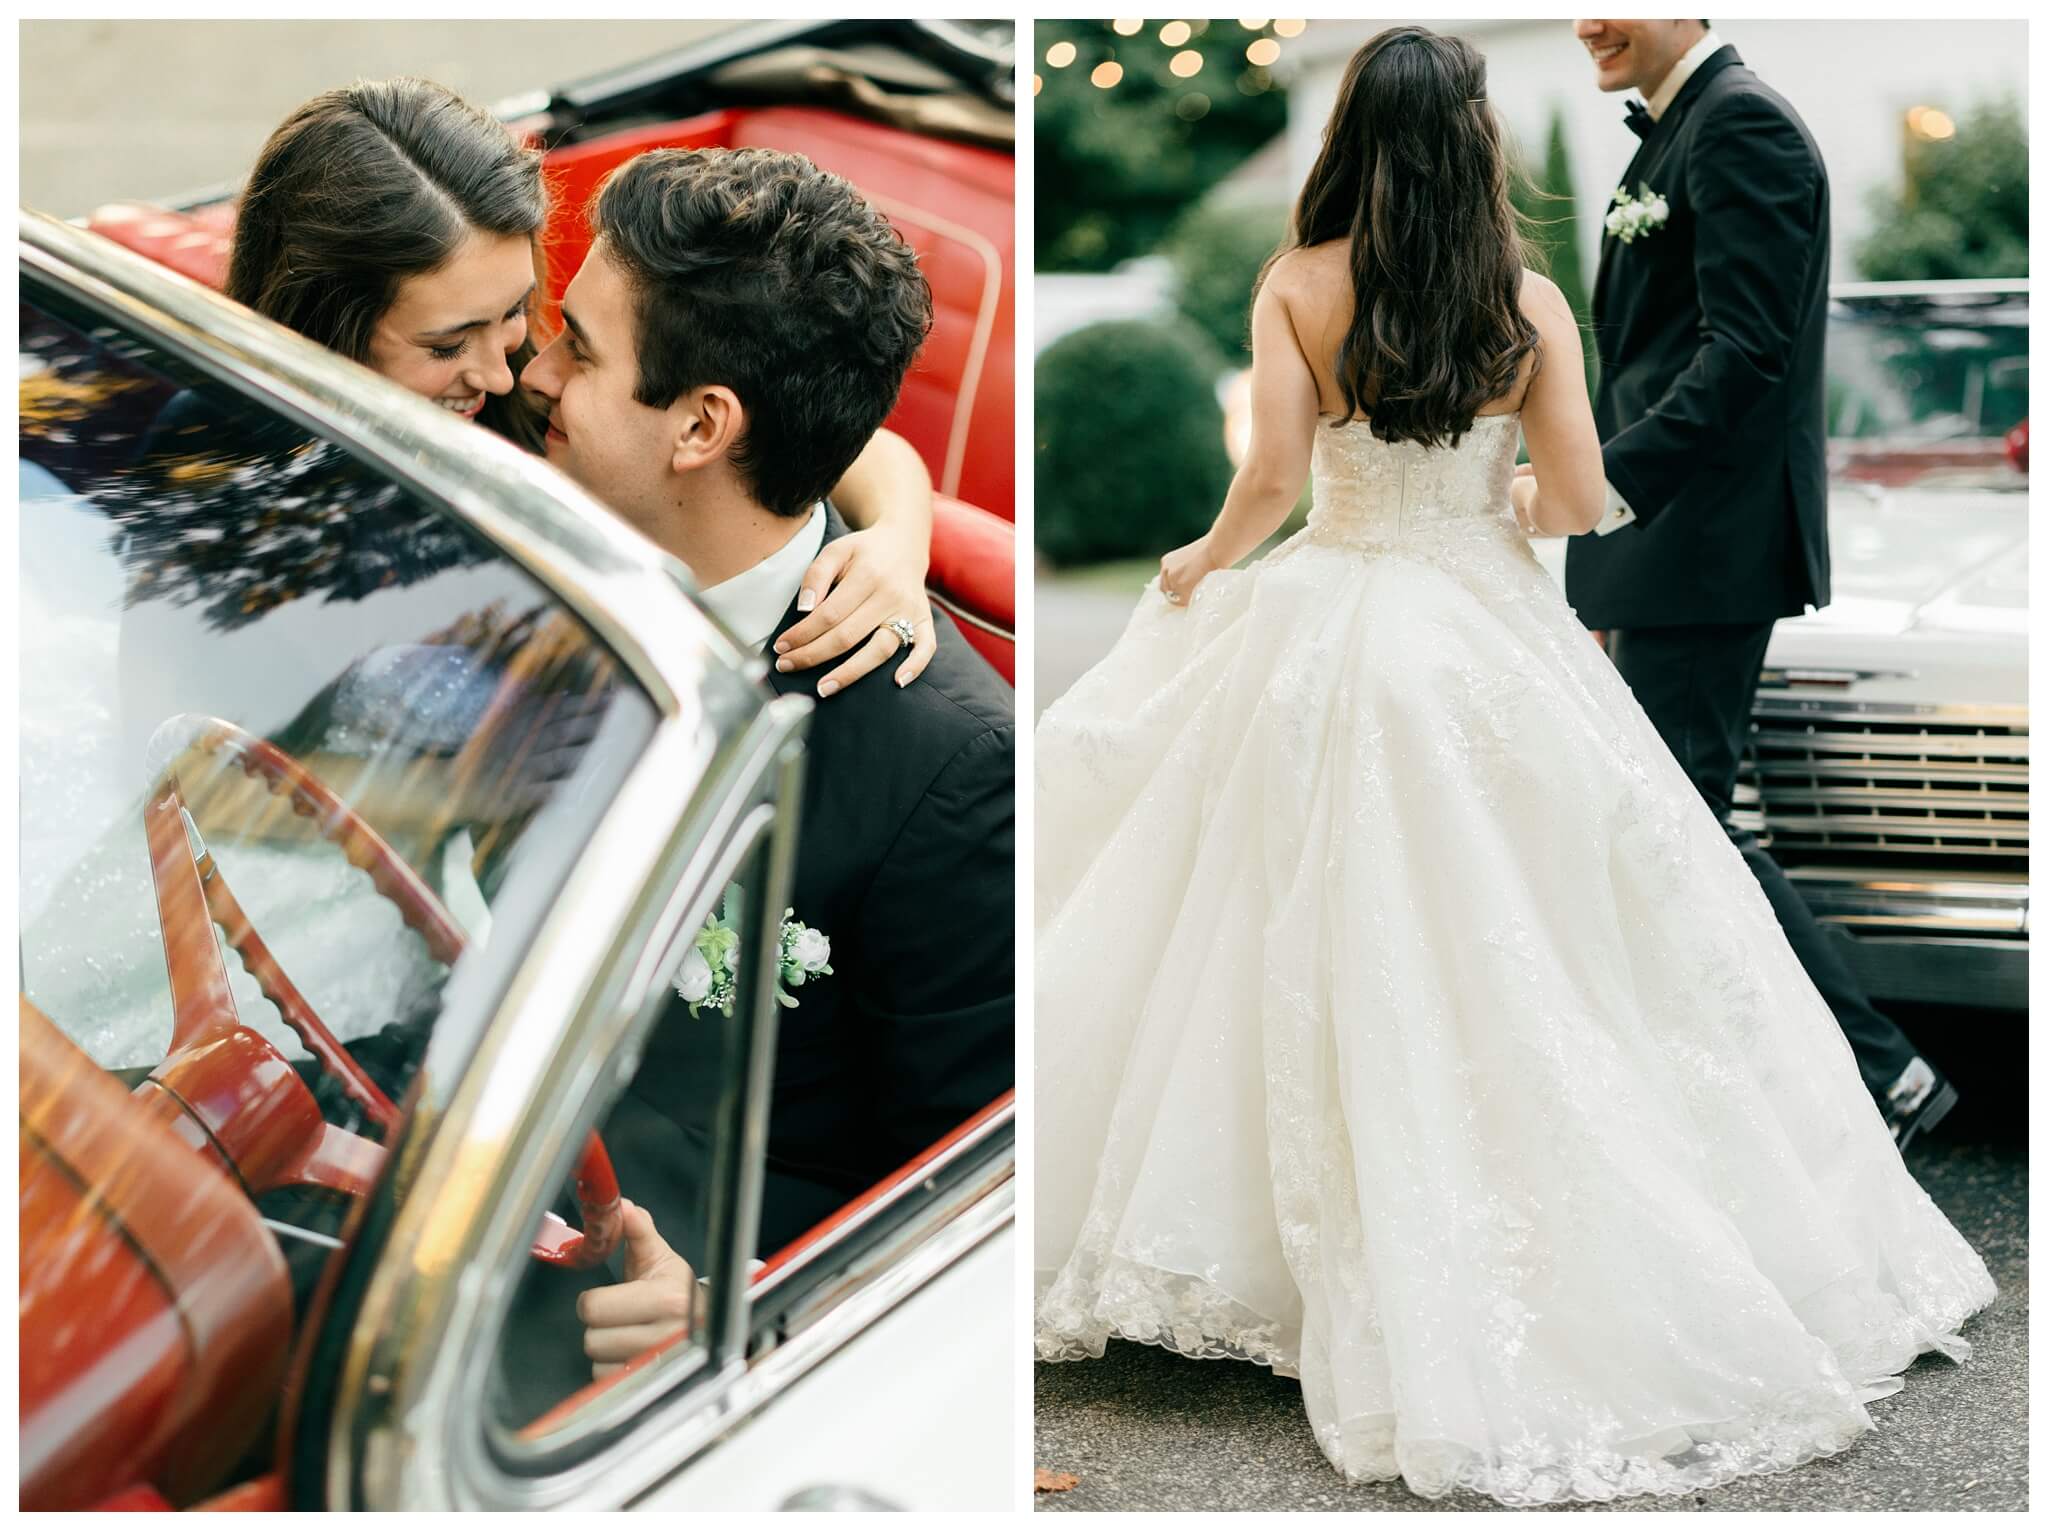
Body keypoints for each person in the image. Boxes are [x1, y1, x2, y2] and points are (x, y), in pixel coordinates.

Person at [1031, 26, 1991, 1506]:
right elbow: (1587, 493)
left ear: (1349, 134)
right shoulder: (1526, 298)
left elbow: (1275, 483)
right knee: (1544, 929)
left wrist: (1204, 556)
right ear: (1475, 142)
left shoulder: (1295, 283)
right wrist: (1498, 500)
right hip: (1481, 632)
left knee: (1289, 918)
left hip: (1335, 621)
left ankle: (1279, 1239)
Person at [514, 147, 1013, 1381]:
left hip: (651, 1305)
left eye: (576, 347)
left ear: (700, 424)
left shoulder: (950, 772)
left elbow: (970, 1194)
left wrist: (729, 1299)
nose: (530, 371)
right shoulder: (549, 517)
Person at [1535, 20, 1954, 1143]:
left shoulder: (1740, 124)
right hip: (1658, 546)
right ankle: (1774, 1076)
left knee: (1679, 821)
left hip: (1701, 546)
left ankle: (1881, 1076)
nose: (1586, 20)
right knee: (1665, 820)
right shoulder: (1678, 130)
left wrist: (1598, 483)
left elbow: (1744, 354)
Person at [222, 75, 939, 696]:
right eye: (444, 344)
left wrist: (899, 537)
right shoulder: (228, 511)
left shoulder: (530, 401)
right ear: (317, 328)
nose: (507, 375)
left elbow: (820, 439)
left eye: (511, 312)